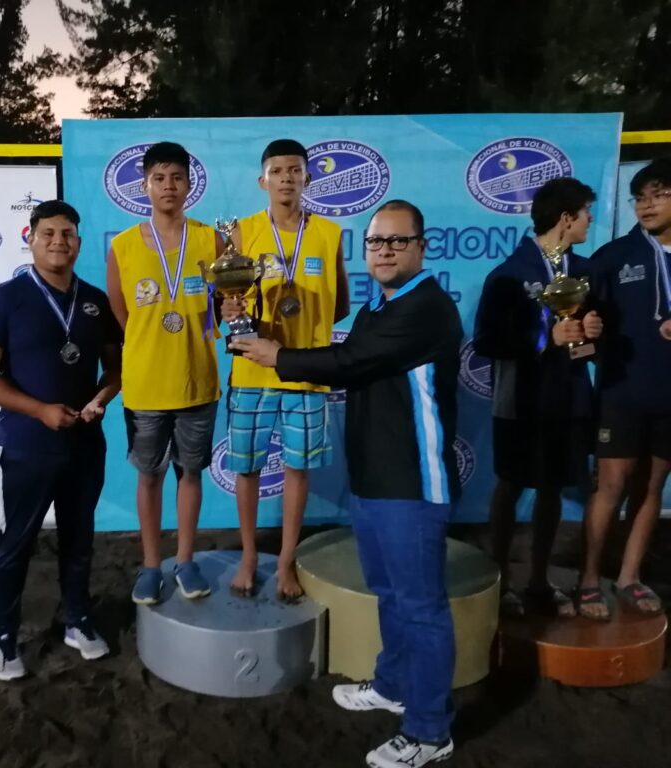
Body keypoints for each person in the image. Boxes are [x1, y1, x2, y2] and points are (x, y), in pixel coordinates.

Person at [234, 200, 461, 768]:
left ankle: (431, 733)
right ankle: (392, 685)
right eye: (376, 242)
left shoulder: (427, 308)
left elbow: (349, 361)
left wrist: (275, 354)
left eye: (397, 241)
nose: (384, 251)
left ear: (421, 246)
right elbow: (348, 356)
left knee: (422, 607)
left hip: (412, 481)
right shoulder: (377, 306)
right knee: (391, 595)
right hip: (374, 477)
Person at [0, 200, 122, 681]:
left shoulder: (95, 301)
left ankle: (77, 620)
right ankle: (5, 639)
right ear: (30, 237)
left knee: (79, 541)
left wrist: (102, 398)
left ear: (78, 242)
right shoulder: (5, 299)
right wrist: (39, 411)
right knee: (18, 543)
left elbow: (118, 369)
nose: (60, 241)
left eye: (69, 234)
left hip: (84, 444)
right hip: (29, 446)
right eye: (49, 232)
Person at [220, 138, 349, 599]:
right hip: (252, 372)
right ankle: (251, 556)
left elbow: (341, 305)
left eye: (295, 170)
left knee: (298, 470)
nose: (287, 179)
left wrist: (301, 329)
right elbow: (227, 304)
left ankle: (287, 563)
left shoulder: (329, 234)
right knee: (249, 469)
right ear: (263, 181)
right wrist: (233, 307)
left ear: (307, 178)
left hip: (307, 373)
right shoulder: (242, 232)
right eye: (278, 171)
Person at [472, 177, 602, 618]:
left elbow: (591, 339)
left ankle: (539, 580)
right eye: (586, 213)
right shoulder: (508, 274)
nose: (590, 221)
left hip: (569, 400)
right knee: (509, 486)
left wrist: (590, 335)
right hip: (520, 400)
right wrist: (543, 336)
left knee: (551, 489)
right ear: (566, 218)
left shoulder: (585, 272)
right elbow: (487, 340)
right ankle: (499, 581)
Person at [106, 141, 223, 605]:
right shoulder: (123, 246)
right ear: (144, 185)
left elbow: (222, 305)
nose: (168, 186)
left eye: (176, 177)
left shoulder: (211, 240)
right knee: (149, 476)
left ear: (190, 185)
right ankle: (152, 564)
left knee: (190, 473)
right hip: (146, 385)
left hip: (197, 380)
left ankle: (186, 559)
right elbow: (122, 314)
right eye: (159, 178)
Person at [579, 158, 671, 620]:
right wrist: (587, 329)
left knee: (651, 487)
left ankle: (631, 576)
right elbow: (578, 324)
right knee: (611, 485)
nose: (646, 205)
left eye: (658, 194)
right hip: (622, 391)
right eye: (639, 197)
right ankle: (590, 579)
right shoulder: (613, 258)